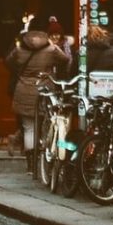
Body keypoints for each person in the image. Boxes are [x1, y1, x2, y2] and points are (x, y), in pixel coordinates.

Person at [5, 17, 69, 157]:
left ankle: (30, 161)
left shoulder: (20, 48)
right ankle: (42, 155)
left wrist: (21, 73)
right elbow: (65, 59)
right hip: (44, 89)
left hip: (24, 88)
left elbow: (8, 61)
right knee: (44, 122)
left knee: (29, 127)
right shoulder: (51, 48)